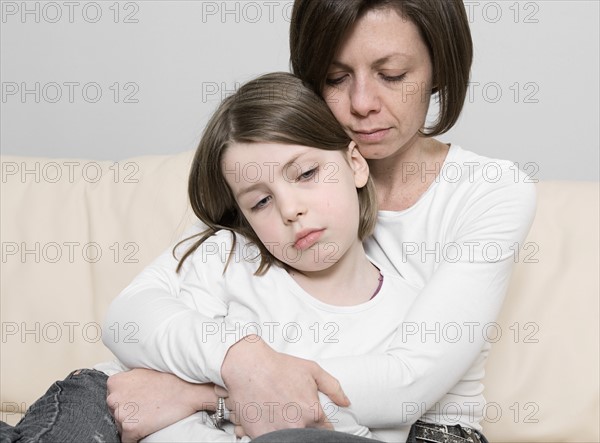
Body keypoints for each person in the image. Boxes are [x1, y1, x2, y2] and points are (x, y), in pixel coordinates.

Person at [104, 1, 536, 442]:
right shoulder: (272, 170)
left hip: (422, 430)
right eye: (336, 78)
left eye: (392, 75)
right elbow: (135, 312)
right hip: (263, 417)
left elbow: (409, 379)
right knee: (90, 389)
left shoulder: (489, 188)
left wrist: (201, 394)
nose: (362, 103)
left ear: (439, 67)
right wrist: (236, 360)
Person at [0, 72, 423, 443]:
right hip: (106, 401)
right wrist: (241, 364)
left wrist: (208, 398)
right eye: (260, 202)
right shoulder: (228, 254)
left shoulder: (407, 313)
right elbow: (128, 319)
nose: (290, 209)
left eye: (306, 174)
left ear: (355, 164)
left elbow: (350, 429)